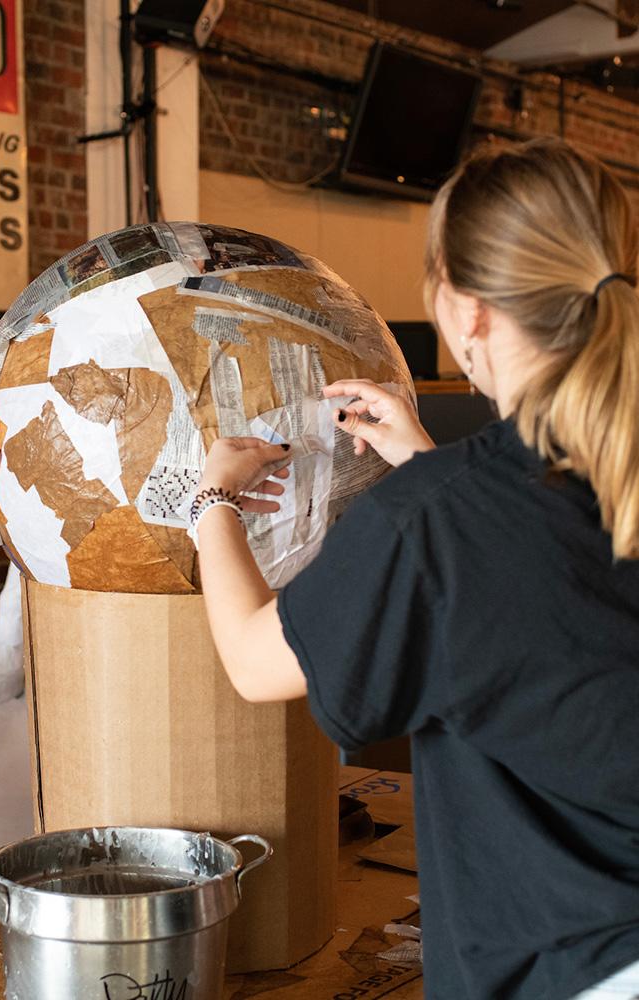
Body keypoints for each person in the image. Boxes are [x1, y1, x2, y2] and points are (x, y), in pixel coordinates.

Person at [189, 137, 639, 1000]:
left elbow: (253, 660)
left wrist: (209, 500)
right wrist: (426, 462)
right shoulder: (462, 509)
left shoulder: (436, 523)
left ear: (463, 311)